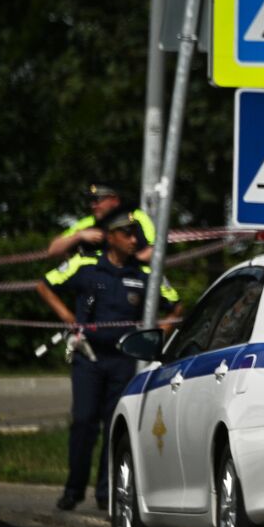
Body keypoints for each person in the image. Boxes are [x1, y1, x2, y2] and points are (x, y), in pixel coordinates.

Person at [36, 209, 180, 511]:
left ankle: (107, 492)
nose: (134, 240)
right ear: (111, 237)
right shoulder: (85, 265)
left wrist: (152, 338)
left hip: (124, 360)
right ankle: (73, 489)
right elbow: (45, 286)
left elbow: (175, 305)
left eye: (135, 235)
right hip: (89, 357)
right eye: (127, 234)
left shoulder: (145, 274)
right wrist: (68, 318)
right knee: (83, 422)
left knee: (115, 425)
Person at [47, 181, 155, 264]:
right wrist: (78, 236)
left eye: (97, 200)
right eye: (90, 201)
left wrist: (122, 266)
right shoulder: (88, 223)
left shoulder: (136, 217)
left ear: (114, 200)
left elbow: (154, 251)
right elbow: (53, 250)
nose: (93, 205)